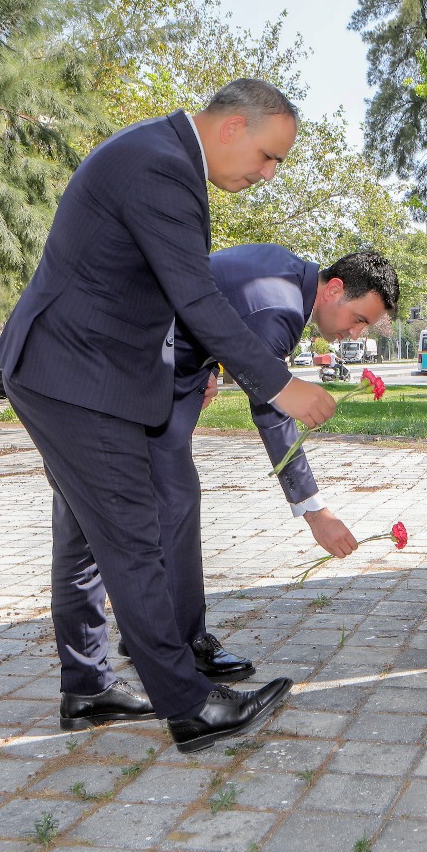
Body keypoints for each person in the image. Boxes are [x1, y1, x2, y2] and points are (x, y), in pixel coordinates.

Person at [0, 79, 339, 753]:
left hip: (74, 372)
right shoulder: (161, 164)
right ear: (233, 126)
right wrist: (279, 385)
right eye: (269, 157)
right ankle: (188, 707)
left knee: (86, 538)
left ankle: (88, 688)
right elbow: (198, 298)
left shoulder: (160, 153)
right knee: (133, 536)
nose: (268, 175)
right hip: (75, 376)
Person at [107, 245, 400, 676]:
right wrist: (315, 511)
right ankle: (182, 646)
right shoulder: (279, 311)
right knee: (175, 500)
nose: (356, 333)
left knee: (152, 503)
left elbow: (215, 306)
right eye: (359, 319)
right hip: (139, 369)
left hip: (166, 366)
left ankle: (145, 635)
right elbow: (271, 406)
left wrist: (208, 369)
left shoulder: (285, 271)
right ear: (334, 289)